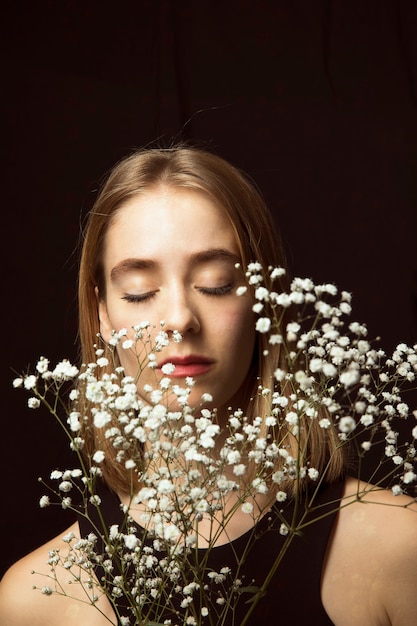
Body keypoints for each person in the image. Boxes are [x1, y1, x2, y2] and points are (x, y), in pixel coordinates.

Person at [1, 146, 416, 626]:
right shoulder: (40, 599)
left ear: (266, 298)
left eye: (216, 283)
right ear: (102, 313)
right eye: (139, 290)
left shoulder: (396, 549)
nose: (178, 318)